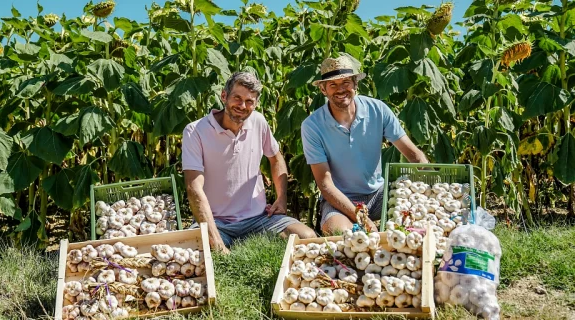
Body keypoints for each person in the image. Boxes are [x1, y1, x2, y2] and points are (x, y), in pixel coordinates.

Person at [182, 72, 316, 254]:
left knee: (307, 238)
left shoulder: (258, 121)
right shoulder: (195, 131)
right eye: (237, 98)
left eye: (249, 101)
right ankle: (223, 243)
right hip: (216, 221)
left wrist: (281, 198)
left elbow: (276, 158)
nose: (242, 105)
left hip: (258, 219)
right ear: (223, 96)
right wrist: (215, 240)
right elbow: (194, 188)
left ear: (256, 104)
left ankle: (242, 243)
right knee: (193, 254)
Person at [301, 56, 429, 235]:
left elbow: (413, 154)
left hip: (379, 194)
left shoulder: (378, 110)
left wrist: (430, 188)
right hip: (341, 198)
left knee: (415, 218)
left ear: (355, 84)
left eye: (346, 82)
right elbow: (325, 185)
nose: (340, 89)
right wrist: (364, 220)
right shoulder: (312, 126)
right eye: (333, 85)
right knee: (337, 231)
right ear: (323, 89)